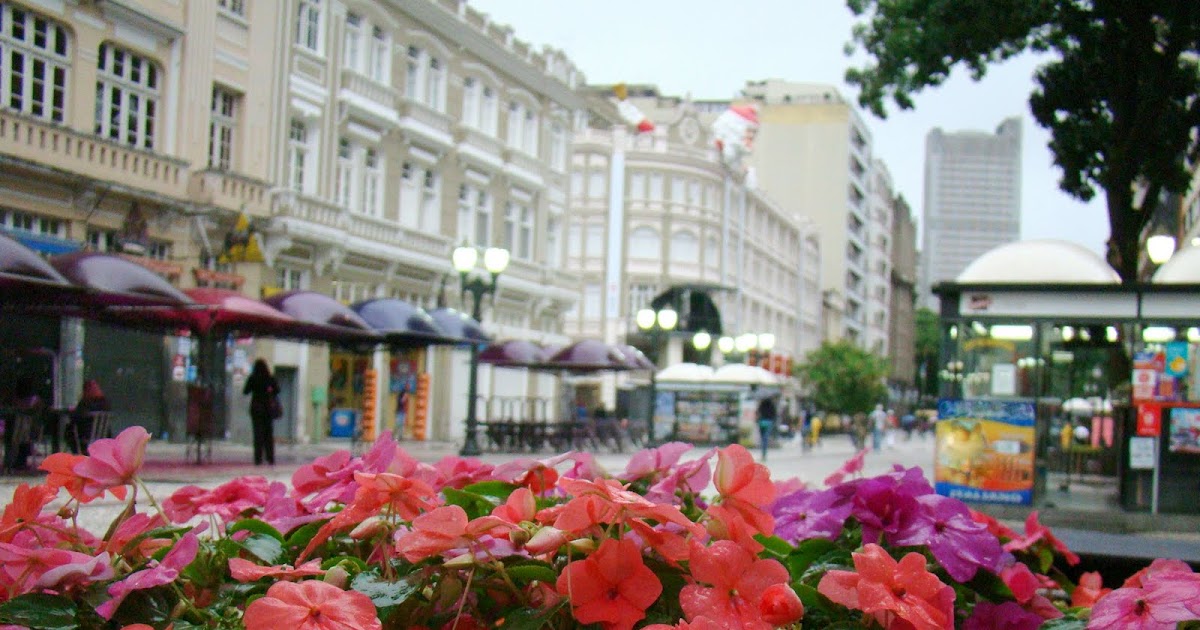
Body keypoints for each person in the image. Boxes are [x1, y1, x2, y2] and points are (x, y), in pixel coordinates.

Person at [243, 359, 279, 466]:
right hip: (268, 409)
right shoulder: (270, 378)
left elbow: (245, 391)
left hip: (256, 409)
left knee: (257, 434)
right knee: (268, 435)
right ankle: (270, 458)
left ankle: (258, 459)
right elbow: (277, 390)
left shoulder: (253, 378)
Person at [69, 379, 110, 454]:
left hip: (86, 433)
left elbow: (77, 416)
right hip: (103, 434)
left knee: (70, 431)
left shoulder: (86, 403)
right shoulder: (104, 403)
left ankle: (78, 452)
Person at [756, 394, 777, 461]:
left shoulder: (761, 404)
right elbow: (774, 414)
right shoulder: (772, 405)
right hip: (769, 422)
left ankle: (763, 452)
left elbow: (758, 412)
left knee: (762, 438)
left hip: (762, 422)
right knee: (765, 438)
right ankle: (764, 452)